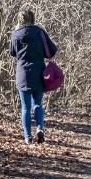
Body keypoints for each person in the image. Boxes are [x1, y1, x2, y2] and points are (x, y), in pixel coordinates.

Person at [9, 9, 57, 144]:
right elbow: (52, 51)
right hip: (39, 71)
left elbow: (12, 52)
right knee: (37, 103)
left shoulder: (16, 33)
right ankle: (40, 128)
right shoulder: (40, 32)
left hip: (22, 73)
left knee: (25, 107)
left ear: (19, 19)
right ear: (33, 18)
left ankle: (27, 136)